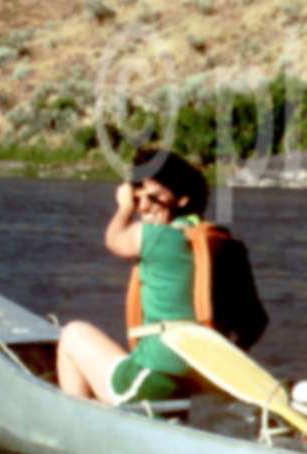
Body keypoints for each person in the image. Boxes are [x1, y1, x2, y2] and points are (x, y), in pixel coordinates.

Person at [55, 151, 220, 407]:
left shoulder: (154, 237)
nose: (142, 207)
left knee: (72, 333)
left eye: (154, 198)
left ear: (183, 199)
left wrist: (124, 207)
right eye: (137, 197)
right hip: (200, 379)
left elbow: (114, 240)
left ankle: (74, 422)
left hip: (152, 380)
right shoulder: (213, 242)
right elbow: (256, 321)